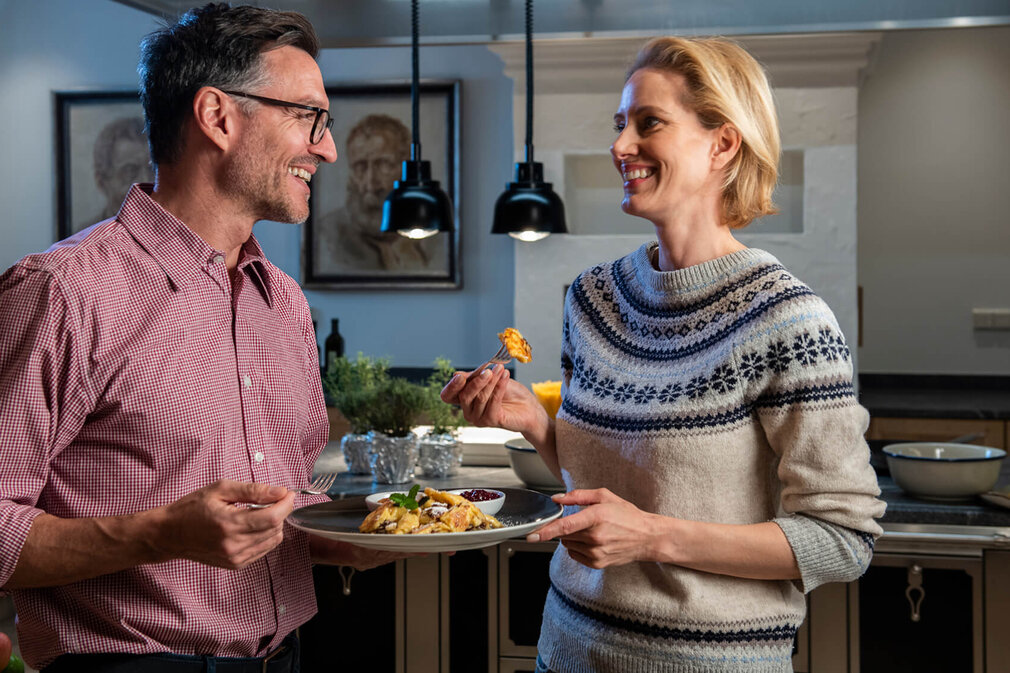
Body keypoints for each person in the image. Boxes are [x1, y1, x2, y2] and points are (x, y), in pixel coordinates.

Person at [442, 36, 885, 673]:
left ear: (722, 143)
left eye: (649, 123)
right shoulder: (594, 299)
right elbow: (603, 488)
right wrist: (536, 425)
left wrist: (654, 536)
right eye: (621, 124)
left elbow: (844, 540)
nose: (622, 146)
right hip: (568, 651)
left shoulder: (787, 321)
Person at [0, 4, 406, 671]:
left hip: (286, 656)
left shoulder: (286, 304)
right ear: (219, 117)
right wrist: (160, 534)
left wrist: (360, 533)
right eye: (309, 117)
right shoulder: (61, 291)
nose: (327, 147)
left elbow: (282, 504)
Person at [318, 113, 443, 273]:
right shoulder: (328, 236)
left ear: (406, 168)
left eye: (384, 165)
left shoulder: (436, 236)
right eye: (360, 167)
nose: (371, 184)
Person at [86, 116, 155, 229]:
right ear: (102, 182)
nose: (145, 180)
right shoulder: (83, 239)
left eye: (151, 169)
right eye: (130, 171)